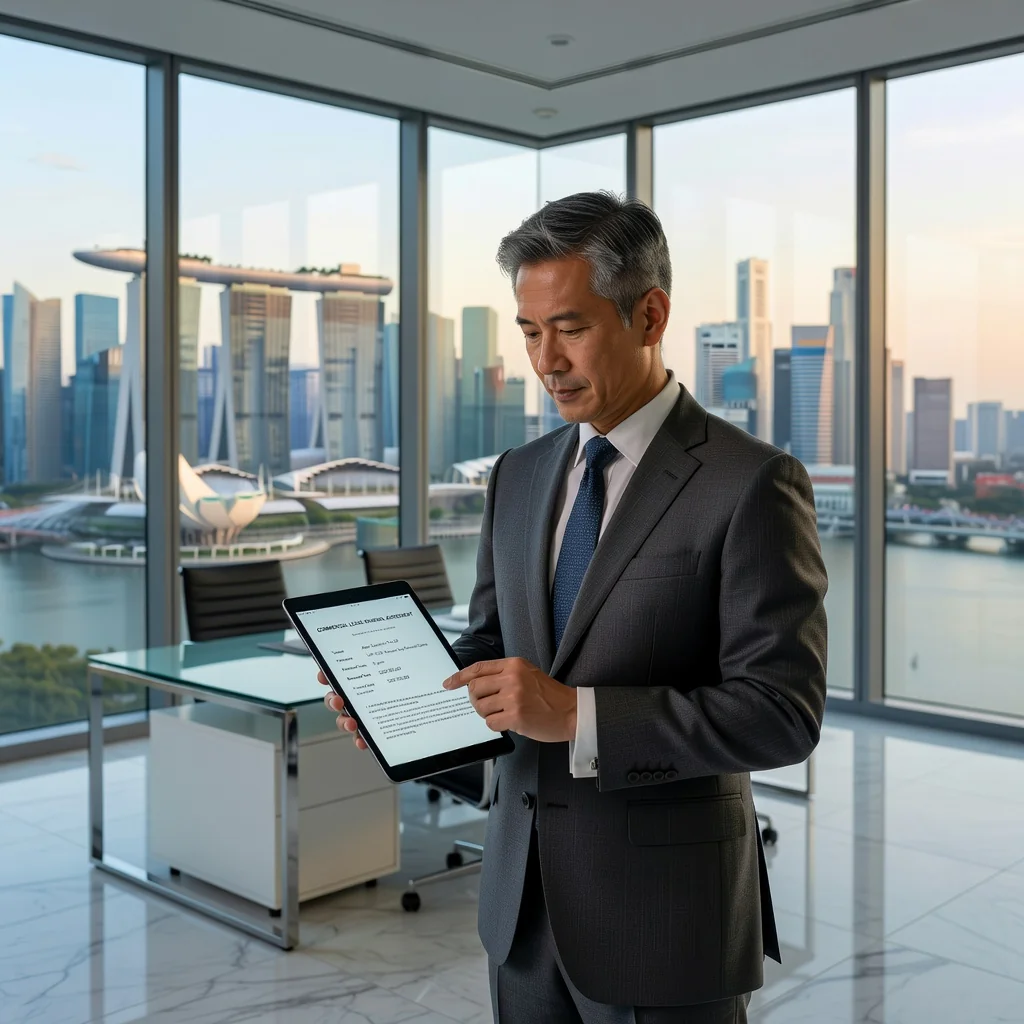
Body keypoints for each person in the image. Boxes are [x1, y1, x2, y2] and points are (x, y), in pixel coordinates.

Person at [321, 191, 828, 1023]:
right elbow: (492, 646)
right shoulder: (518, 473)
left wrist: (580, 717)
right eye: (528, 332)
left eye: (571, 326)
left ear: (650, 314)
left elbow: (782, 714)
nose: (545, 360)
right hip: (518, 910)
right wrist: (406, 708)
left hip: (665, 922)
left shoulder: (751, 483)